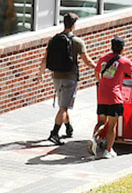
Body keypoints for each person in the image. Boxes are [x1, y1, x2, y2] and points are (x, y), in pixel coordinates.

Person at [39, 12, 96, 145]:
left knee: (62, 106)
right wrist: (99, 68)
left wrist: (40, 74)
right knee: (64, 107)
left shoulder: (53, 39)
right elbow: (87, 61)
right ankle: (54, 133)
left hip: (56, 77)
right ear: (74, 25)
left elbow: (44, 59)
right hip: (70, 78)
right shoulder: (77, 41)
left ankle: (68, 128)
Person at [90, 37, 132, 159]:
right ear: (123, 49)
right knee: (112, 125)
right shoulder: (125, 61)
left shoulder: (103, 58)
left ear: (111, 47)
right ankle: (108, 151)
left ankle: (93, 138)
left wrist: (101, 82)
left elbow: (96, 72)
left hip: (102, 95)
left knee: (102, 121)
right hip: (115, 97)